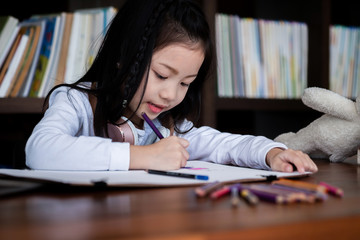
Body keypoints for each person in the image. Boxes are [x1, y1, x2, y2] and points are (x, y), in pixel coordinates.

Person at [25, 0, 318, 173]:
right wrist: (143, 157)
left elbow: (223, 144)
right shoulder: (75, 102)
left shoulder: (166, 127)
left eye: (185, 83)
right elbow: (40, 150)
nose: (170, 94)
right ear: (123, 58)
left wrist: (271, 153)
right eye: (161, 75)